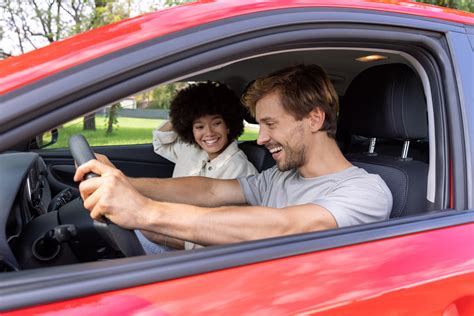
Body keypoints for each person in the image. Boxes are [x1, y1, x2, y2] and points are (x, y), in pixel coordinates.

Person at [75, 64, 392, 250]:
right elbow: (210, 190)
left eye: (270, 124)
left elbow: (286, 227)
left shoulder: (366, 191)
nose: (262, 138)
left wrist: (145, 212)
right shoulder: (279, 176)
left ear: (314, 119)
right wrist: (127, 183)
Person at [138, 81, 257, 251]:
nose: (208, 133)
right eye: (199, 126)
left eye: (216, 123)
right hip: (167, 224)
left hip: (193, 247)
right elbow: (160, 142)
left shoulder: (241, 169)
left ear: (229, 125)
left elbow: (229, 232)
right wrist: (181, 116)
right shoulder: (190, 150)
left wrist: (164, 233)